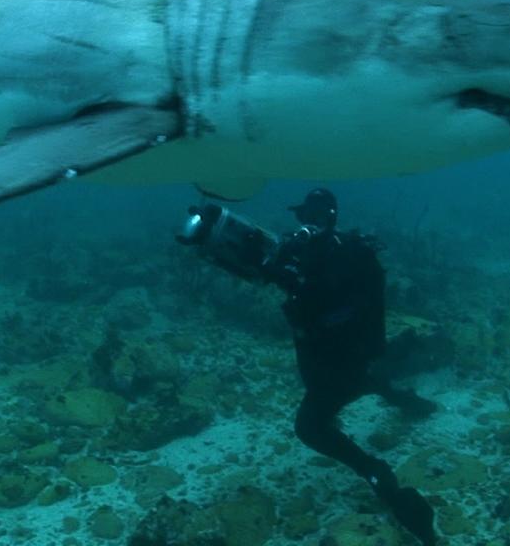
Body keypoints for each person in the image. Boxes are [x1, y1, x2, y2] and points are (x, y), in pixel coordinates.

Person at [178, 189, 441, 545]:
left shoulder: (349, 254)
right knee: (368, 381)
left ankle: (375, 472)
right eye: (305, 216)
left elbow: (342, 303)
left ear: (330, 216)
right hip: (338, 364)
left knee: (310, 427)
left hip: (340, 364)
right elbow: (266, 272)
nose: (307, 224)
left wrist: (299, 285)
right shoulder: (301, 251)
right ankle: (403, 399)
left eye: (315, 216)